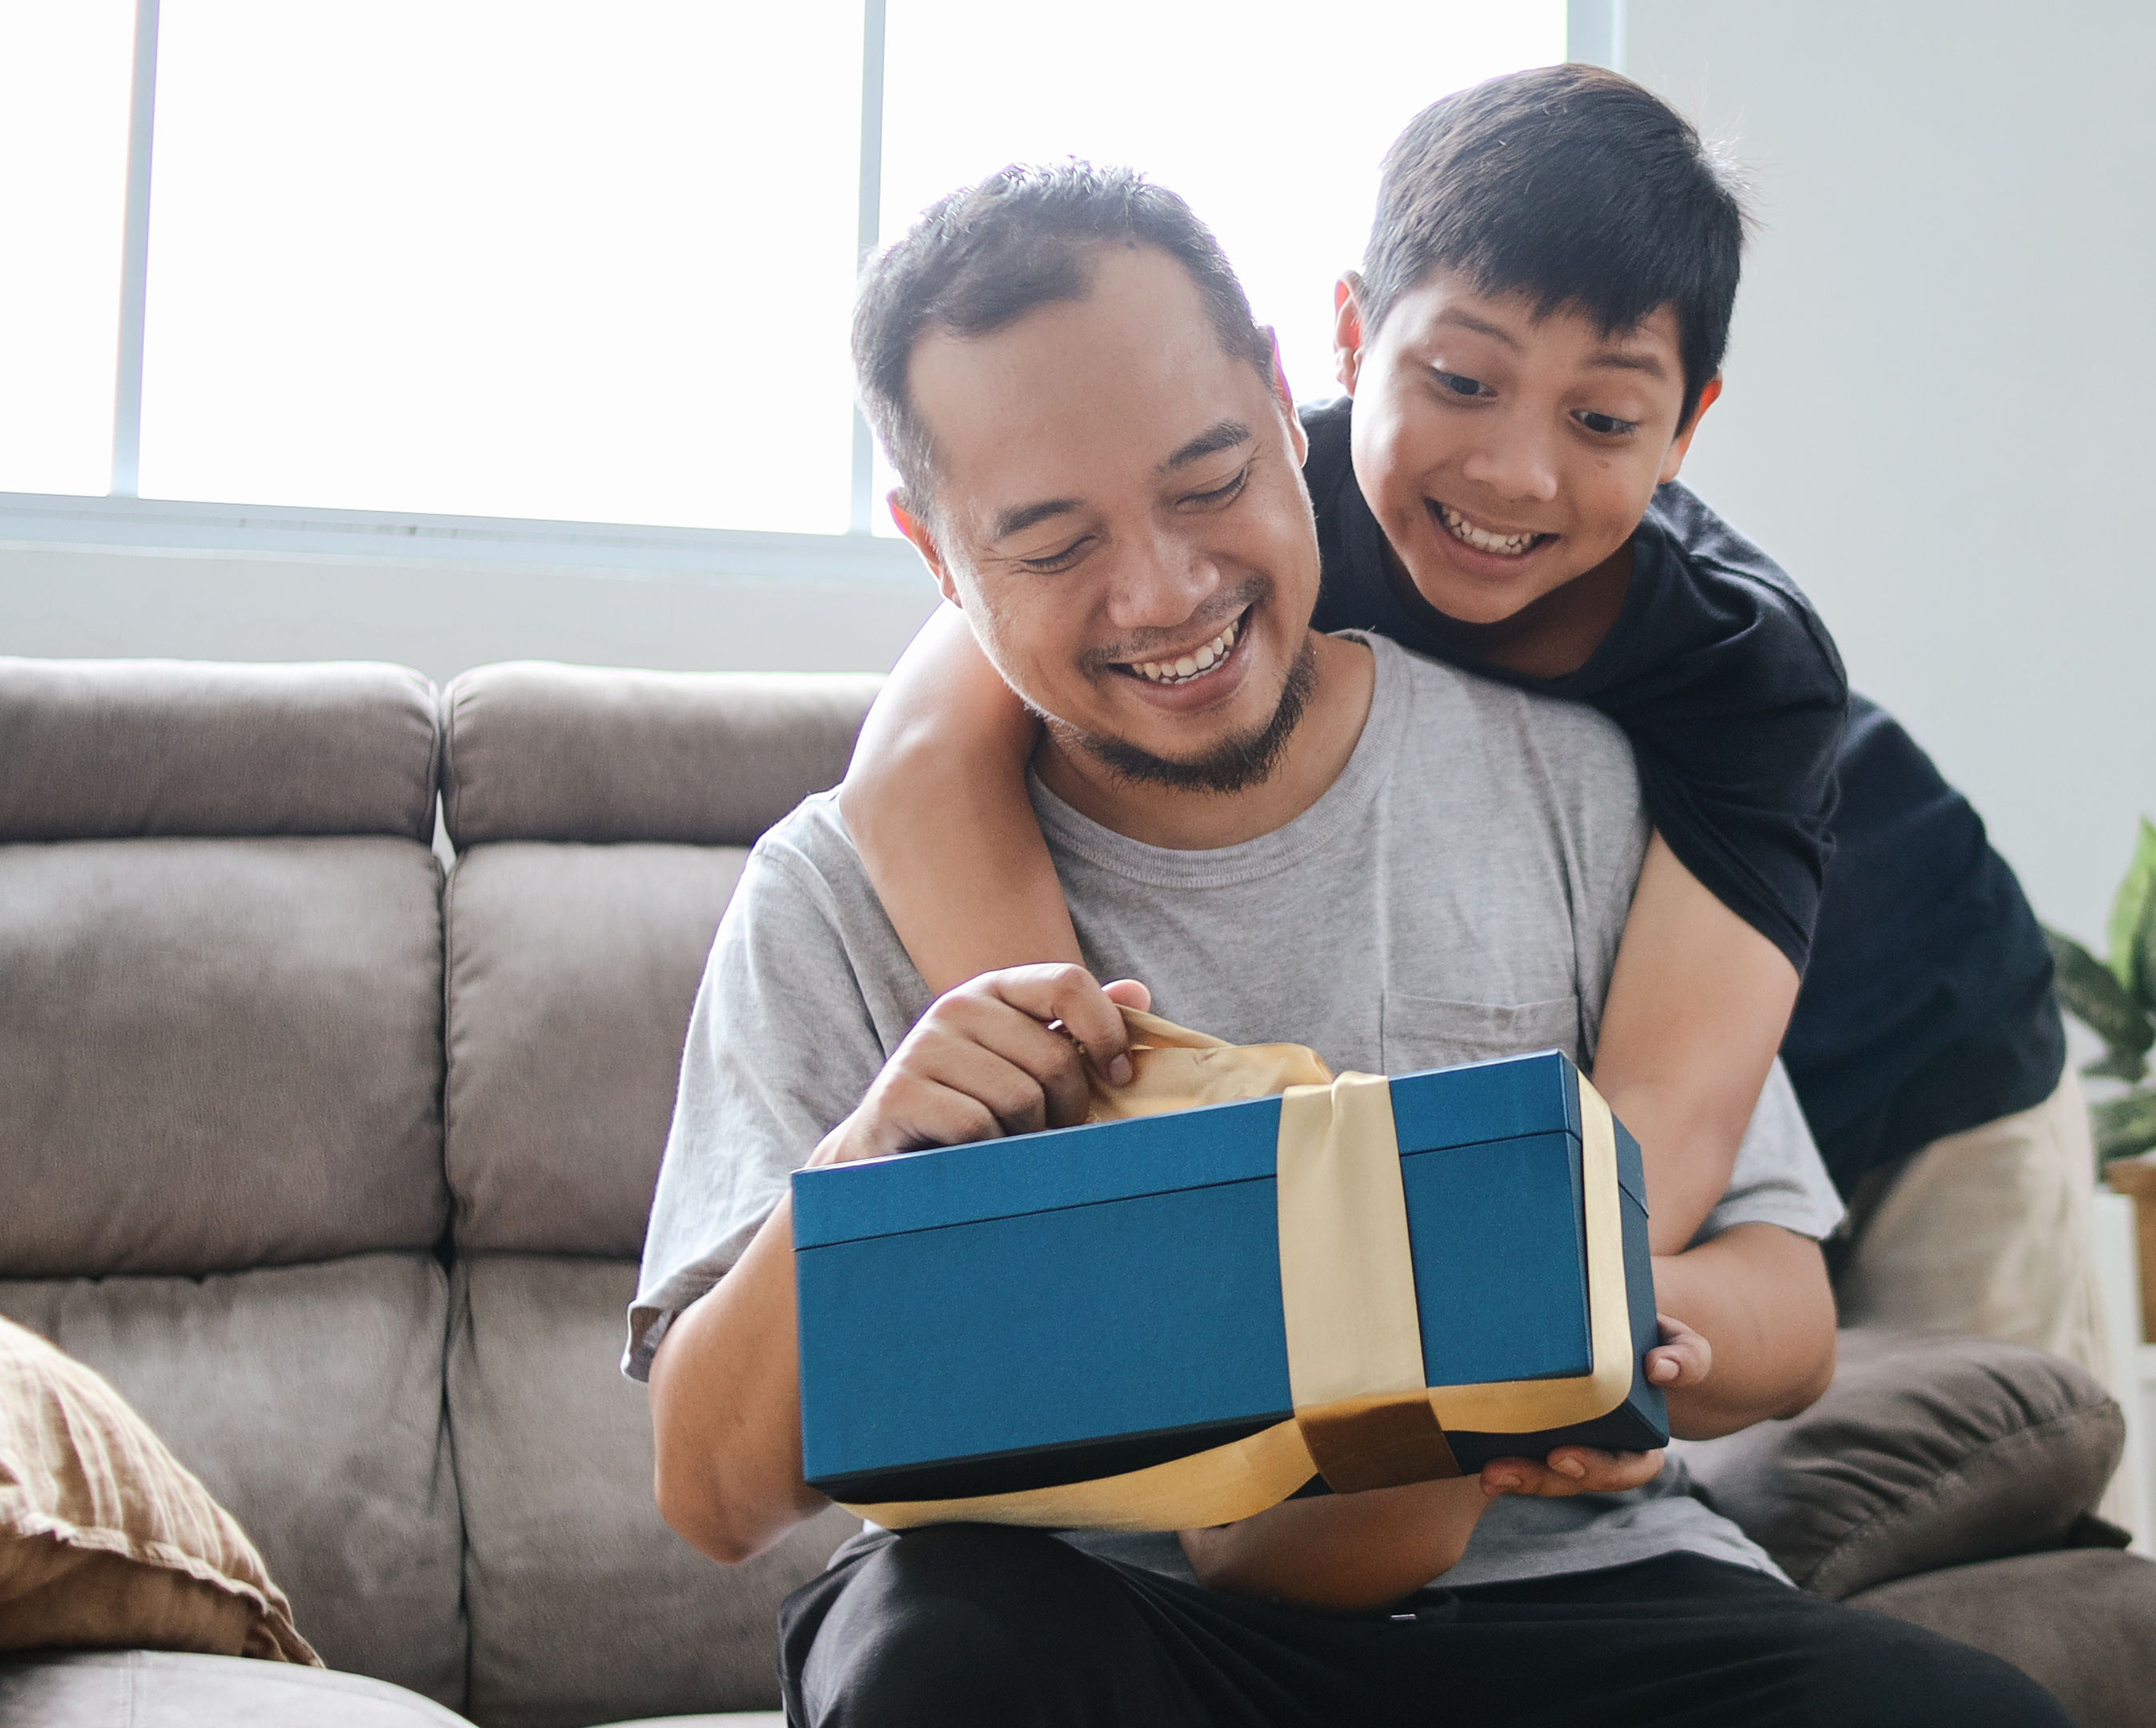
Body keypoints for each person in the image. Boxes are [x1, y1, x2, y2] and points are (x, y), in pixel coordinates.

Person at [630, 163, 2073, 1726]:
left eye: (1207, 483)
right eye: (1050, 546)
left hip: (1574, 1598)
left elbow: (1780, 1296)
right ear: (935, 555)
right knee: (947, 1665)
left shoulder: (1573, 778)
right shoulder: (833, 894)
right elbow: (713, 1494)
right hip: (1094, 1617)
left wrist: (1625, 1338)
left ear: (1281, 396)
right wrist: (861, 1184)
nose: (1166, 590)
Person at [836, 66, 2102, 1375]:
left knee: (2022, 1453)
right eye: (1457, 379)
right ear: (1348, 338)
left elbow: (1660, 1131)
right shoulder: (1245, 494)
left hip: (1917, 1028)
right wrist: (1115, 1140)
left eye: (1604, 417)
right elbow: (919, 760)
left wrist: (1367, 1329)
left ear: (1685, 428)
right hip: (1652, 1043)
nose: (1513, 470)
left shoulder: (1750, 663)